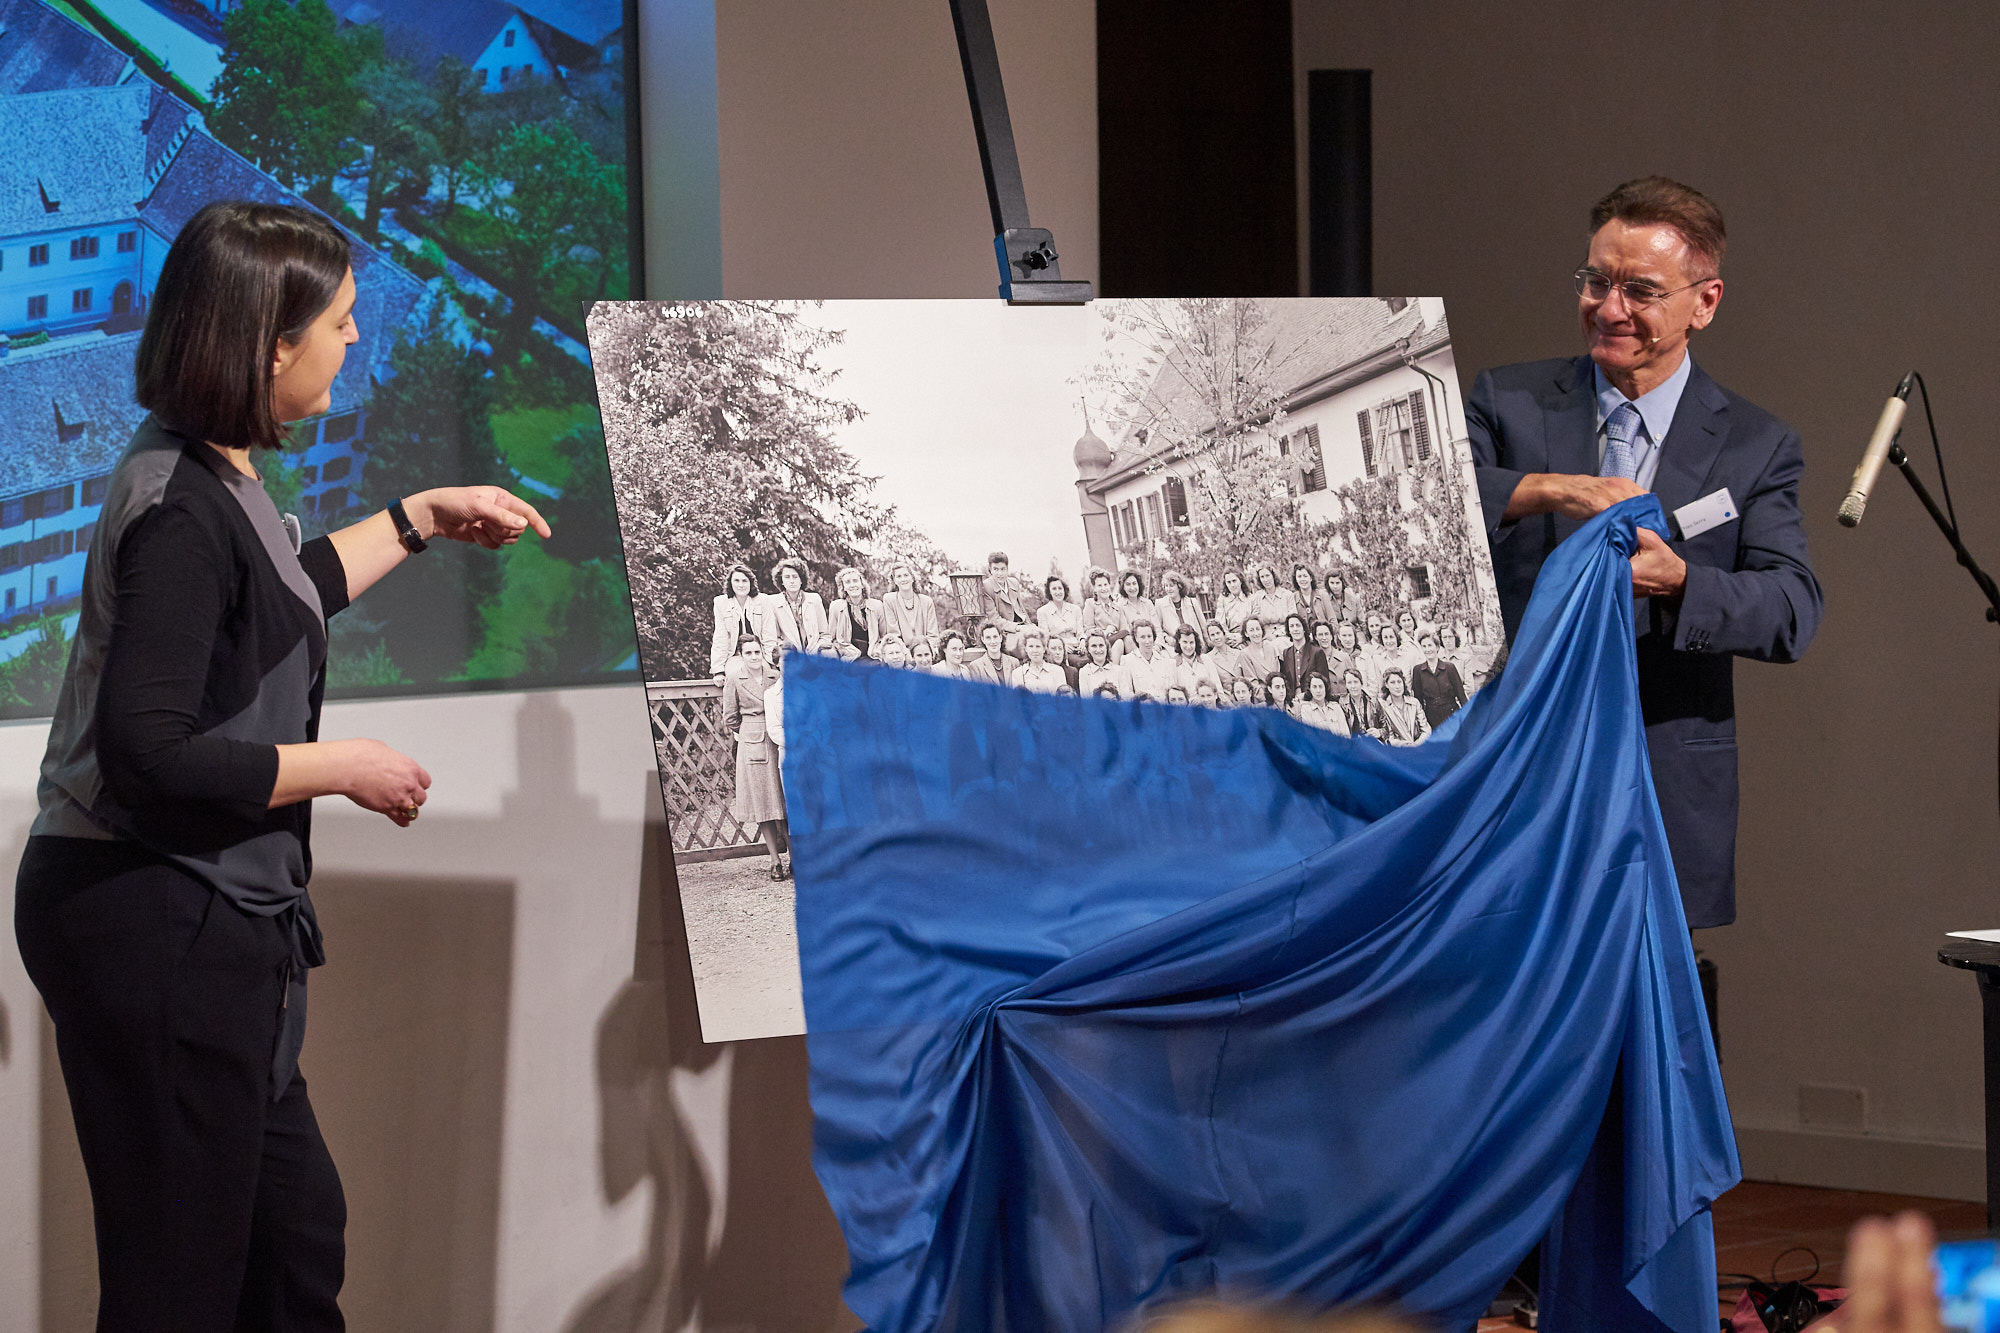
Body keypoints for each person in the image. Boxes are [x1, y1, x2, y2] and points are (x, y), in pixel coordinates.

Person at [12, 200, 551, 1332]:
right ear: (270, 343)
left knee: (290, 1237)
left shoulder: (213, 475)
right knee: (182, 1282)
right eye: (342, 322)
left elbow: (274, 595)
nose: (355, 339)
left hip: (191, 909)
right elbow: (146, 752)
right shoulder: (181, 512)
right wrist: (338, 762)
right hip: (147, 913)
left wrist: (419, 517)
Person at [1466, 175, 1822, 928]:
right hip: (1514, 776)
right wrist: (1557, 489)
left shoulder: (1756, 445)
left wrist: (1683, 582)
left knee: (1648, 1030)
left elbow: (1792, 607)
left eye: (1641, 289)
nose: (1610, 307)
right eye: (1596, 280)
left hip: (1659, 787)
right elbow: (1439, 497)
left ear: (1705, 302)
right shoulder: (1508, 402)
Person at [720, 631, 788, 880]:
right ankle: (774, 860)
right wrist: (751, 731)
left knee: (785, 800)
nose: (753, 657)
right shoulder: (735, 679)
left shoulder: (775, 674)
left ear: (762, 652)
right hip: (753, 742)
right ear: (741, 655)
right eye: (748, 653)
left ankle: (795, 857)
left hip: (779, 741)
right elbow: (730, 718)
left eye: (757, 652)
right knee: (763, 803)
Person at [710, 562, 771, 679]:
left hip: (758, 654)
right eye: (737, 581)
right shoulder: (720, 603)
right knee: (736, 675)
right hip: (735, 656)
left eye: (744, 581)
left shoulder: (763, 601)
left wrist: (772, 663)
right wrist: (718, 671)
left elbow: (769, 635)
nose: (741, 585)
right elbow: (721, 638)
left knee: (764, 675)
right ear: (730, 583)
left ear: (751, 583)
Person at [878, 560, 939, 659]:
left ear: (912, 578)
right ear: (894, 581)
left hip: (924, 651)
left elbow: (933, 635)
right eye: (899, 576)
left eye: (906, 575)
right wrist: (906, 654)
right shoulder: (889, 599)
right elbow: (894, 633)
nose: (903, 579)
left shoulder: (927, 601)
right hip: (902, 651)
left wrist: (927, 653)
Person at [768, 556, 829, 653]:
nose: (791, 581)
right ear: (782, 581)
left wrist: (818, 649)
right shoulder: (773, 602)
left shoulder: (814, 599)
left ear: (801, 580)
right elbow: (774, 637)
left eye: (795, 577)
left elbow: (825, 635)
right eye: (787, 577)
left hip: (815, 653)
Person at [1408, 631, 1468, 728]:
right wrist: (1422, 723)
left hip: (1452, 714)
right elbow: (1418, 699)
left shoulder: (1449, 667)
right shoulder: (1418, 670)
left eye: (1430, 645)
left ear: (1437, 647)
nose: (1427, 649)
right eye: (1424, 646)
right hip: (1431, 717)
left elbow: (1461, 695)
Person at [1036, 573, 1087, 683]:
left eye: (1060, 588)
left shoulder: (1075, 609)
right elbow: (1045, 637)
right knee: (1076, 666)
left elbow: (1080, 631)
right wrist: (1062, 645)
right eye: (1054, 589)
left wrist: (1082, 640)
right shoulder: (1043, 612)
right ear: (1049, 592)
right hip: (1059, 649)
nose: (1058, 592)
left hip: (1077, 646)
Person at [826, 565, 883, 662]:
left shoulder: (877, 605)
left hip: (873, 654)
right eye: (847, 582)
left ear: (862, 584)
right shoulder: (836, 606)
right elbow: (832, 637)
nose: (852, 585)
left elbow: (884, 635)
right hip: (849, 655)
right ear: (843, 587)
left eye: (855, 581)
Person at [979, 550, 1038, 635]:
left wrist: (1030, 626)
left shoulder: (1014, 583)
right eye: (996, 569)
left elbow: (1021, 609)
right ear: (990, 570)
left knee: (1042, 635)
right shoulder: (986, 586)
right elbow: (994, 619)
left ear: (1007, 569)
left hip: (1020, 626)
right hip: (1002, 632)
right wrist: (1017, 628)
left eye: (1003, 569)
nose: (1000, 573)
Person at [1081, 566, 1131, 660]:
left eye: (1105, 584)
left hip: (1119, 639)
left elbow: (1124, 629)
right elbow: (1088, 630)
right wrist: (1106, 632)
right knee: (1119, 642)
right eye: (1099, 586)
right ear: (1095, 588)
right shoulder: (1090, 604)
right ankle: (1115, 672)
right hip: (1100, 643)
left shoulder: (1117, 607)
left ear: (1109, 585)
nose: (1104, 588)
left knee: (1127, 639)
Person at [1121, 618, 1176, 701]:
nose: (1147, 641)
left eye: (1149, 636)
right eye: (1142, 637)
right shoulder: (1127, 660)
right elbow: (1126, 693)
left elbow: (1173, 693)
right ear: (1136, 638)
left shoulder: (1165, 660)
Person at [1153, 570, 1205, 651]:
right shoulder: (1160, 604)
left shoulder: (1192, 602)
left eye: (1171, 585)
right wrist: (1166, 638)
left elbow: (1203, 626)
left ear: (1179, 586)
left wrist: (1206, 643)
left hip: (1195, 646)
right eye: (1166, 586)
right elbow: (1157, 629)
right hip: (1174, 648)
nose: (1168, 589)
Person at [1378, 669, 1432, 746]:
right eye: (1392, 682)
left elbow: (1426, 730)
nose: (1397, 686)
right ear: (1386, 685)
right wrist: (1405, 745)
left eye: (1399, 682)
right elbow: (1388, 736)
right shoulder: (1383, 706)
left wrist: (1416, 744)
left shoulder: (1414, 702)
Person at [1009, 629, 1068, 694]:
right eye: (1031, 646)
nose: (1035, 650)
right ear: (1026, 649)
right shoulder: (1017, 673)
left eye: (1038, 646)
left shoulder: (1057, 671)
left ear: (1044, 649)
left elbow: (1063, 699)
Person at [1294, 671, 1350, 735]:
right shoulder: (1306, 709)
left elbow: (1346, 733)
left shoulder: (1336, 707)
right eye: (1314, 687)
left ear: (1325, 688)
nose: (1318, 691)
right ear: (1310, 690)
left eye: (1320, 686)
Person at [966, 619, 1020, 686]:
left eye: (995, 637)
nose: (993, 641)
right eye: (988, 638)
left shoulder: (1014, 663)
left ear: (1000, 637)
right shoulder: (976, 667)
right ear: (983, 640)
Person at [1171, 625, 1219, 698]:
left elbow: (1217, 687)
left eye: (1191, 642)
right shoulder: (1173, 664)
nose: (1189, 646)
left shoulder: (1206, 659)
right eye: (1185, 642)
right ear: (1179, 641)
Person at [1278, 613, 1320, 695]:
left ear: (1304, 628)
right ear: (1289, 631)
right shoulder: (1286, 653)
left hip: (1313, 697)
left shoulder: (1317, 652)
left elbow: (1324, 681)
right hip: (1293, 699)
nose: (1295, 629)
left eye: (1298, 625)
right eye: (1292, 626)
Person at [1077, 631, 1126, 698]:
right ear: (1088, 649)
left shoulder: (1119, 671)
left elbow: (1126, 699)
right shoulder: (1084, 672)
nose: (1098, 649)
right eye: (1094, 646)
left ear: (1106, 647)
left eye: (1101, 645)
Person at [1202, 618, 1247, 689]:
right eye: (1212, 635)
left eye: (1218, 633)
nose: (1216, 637)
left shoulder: (1238, 653)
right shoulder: (1208, 658)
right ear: (1209, 638)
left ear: (1223, 634)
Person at [1340, 667, 1384, 740]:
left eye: (1356, 682)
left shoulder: (1373, 701)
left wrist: (1379, 732)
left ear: (1361, 683)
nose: (1353, 686)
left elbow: (1386, 726)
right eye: (1349, 683)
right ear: (1346, 685)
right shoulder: (1343, 704)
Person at [1238, 616, 1281, 686]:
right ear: (1246, 633)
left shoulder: (1271, 647)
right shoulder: (1245, 654)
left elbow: (1278, 672)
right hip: (1262, 694)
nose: (1256, 633)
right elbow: (1252, 682)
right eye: (1251, 630)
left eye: (1258, 629)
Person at [1248, 563, 1293, 628]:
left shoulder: (1287, 595)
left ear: (1273, 576)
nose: (1266, 580)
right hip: (1265, 635)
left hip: (1285, 633)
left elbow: (1293, 620)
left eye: (1267, 575)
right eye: (1262, 577)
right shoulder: (1256, 597)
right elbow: (1255, 622)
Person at [1214, 569, 1253, 641]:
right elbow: (1220, 623)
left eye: (1234, 581)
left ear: (1240, 581)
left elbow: (1254, 623)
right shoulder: (1222, 600)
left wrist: (1243, 637)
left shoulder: (1251, 599)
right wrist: (1230, 637)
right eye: (1229, 582)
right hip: (1229, 639)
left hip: (1248, 638)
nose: (1232, 585)